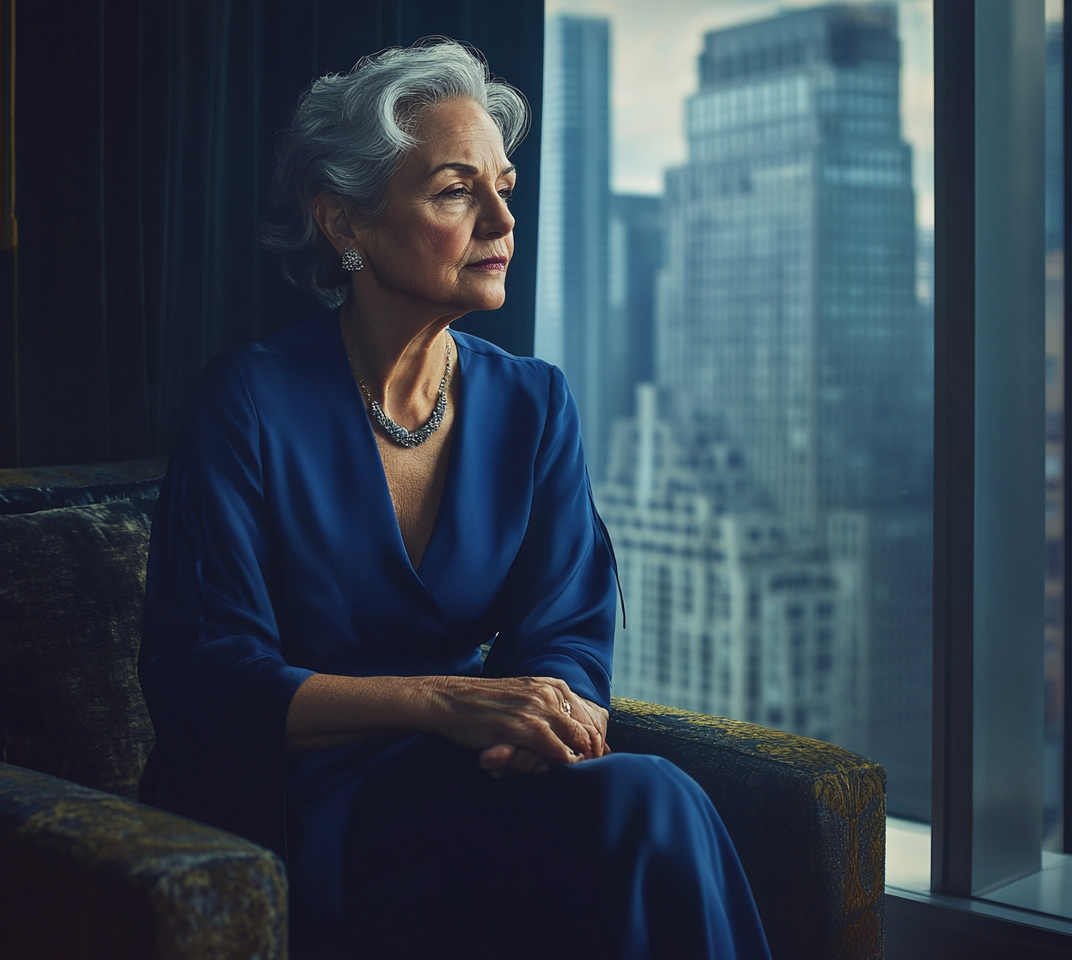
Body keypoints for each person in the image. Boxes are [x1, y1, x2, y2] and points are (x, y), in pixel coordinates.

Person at [140, 37, 773, 960]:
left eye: (503, 187)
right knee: (647, 802)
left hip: (473, 781)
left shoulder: (535, 402)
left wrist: (541, 721)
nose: (499, 220)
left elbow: (568, 632)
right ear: (345, 225)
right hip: (300, 815)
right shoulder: (246, 403)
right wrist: (441, 702)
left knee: (649, 798)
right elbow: (207, 680)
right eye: (453, 190)